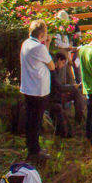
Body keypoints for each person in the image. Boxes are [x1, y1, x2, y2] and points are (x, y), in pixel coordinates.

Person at [20, 20, 55, 161]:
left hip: (29, 88)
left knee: (31, 120)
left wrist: (45, 44)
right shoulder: (38, 48)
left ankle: (32, 147)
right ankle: (35, 151)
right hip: (39, 90)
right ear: (42, 34)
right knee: (36, 121)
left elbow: (43, 57)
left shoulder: (26, 43)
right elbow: (52, 66)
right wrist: (46, 45)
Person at [48, 53, 73, 138]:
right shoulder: (52, 72)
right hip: (50, 99)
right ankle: (65, 133)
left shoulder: (56, 71)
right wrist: (72, 87)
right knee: (59, 110)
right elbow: (58, 87)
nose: (62, 66)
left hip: (55, 97)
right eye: (62, 63)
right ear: (58, 60)